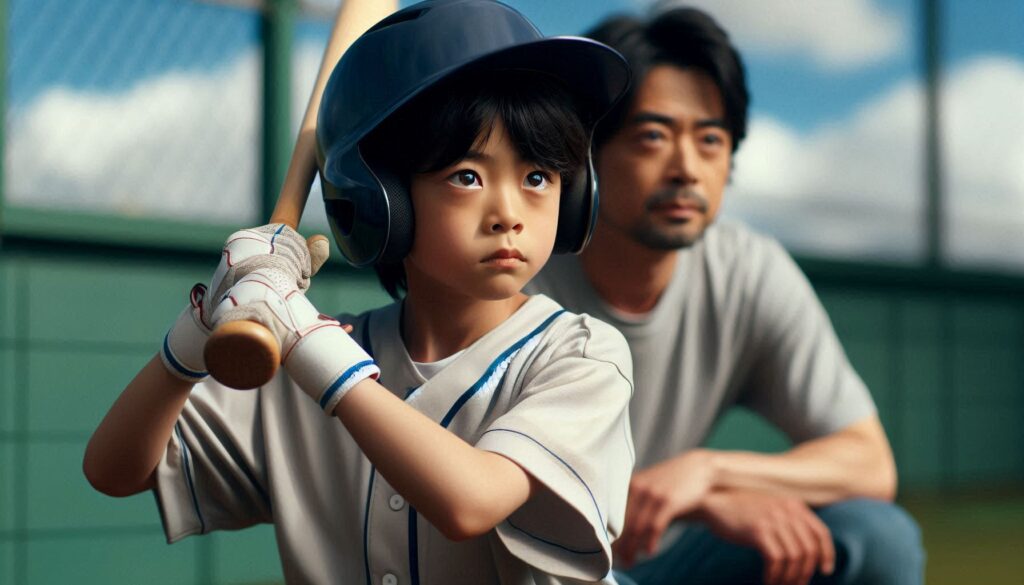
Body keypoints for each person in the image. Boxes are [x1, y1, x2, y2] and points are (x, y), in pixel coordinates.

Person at [82, 1, 637, 583]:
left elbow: (470, 501)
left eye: (537, 178)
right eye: (466, 176)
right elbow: (114, 471)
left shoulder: (582, 354)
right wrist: (193, 335)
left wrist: (308, 342)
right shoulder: (303, 358)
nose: (509, 214)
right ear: (381, 201)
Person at [526, 7, 925, 585]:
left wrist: (708, 475)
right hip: (547, 561)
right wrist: (704, 500)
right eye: (652, 136)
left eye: (711, 139)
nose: (687, 168)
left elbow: (869, 464)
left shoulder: (749, 269)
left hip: (669, 559)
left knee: (874, 539)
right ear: (585, 156)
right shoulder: (519, 271)